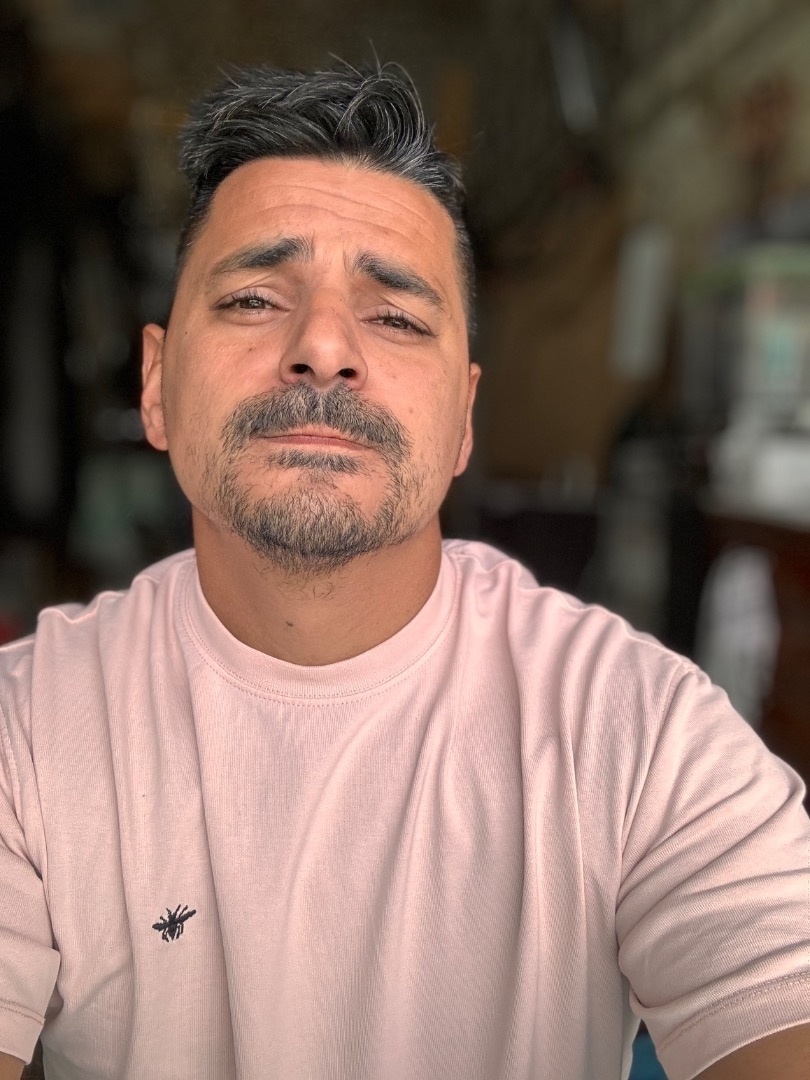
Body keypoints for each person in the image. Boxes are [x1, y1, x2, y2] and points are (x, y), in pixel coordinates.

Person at [0, 62, 808, 1080]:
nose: (323, 347)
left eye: (396, 317)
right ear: (156, 384)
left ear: (464, 416)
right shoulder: (27, 736)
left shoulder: (640, 735)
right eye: (254, 298)